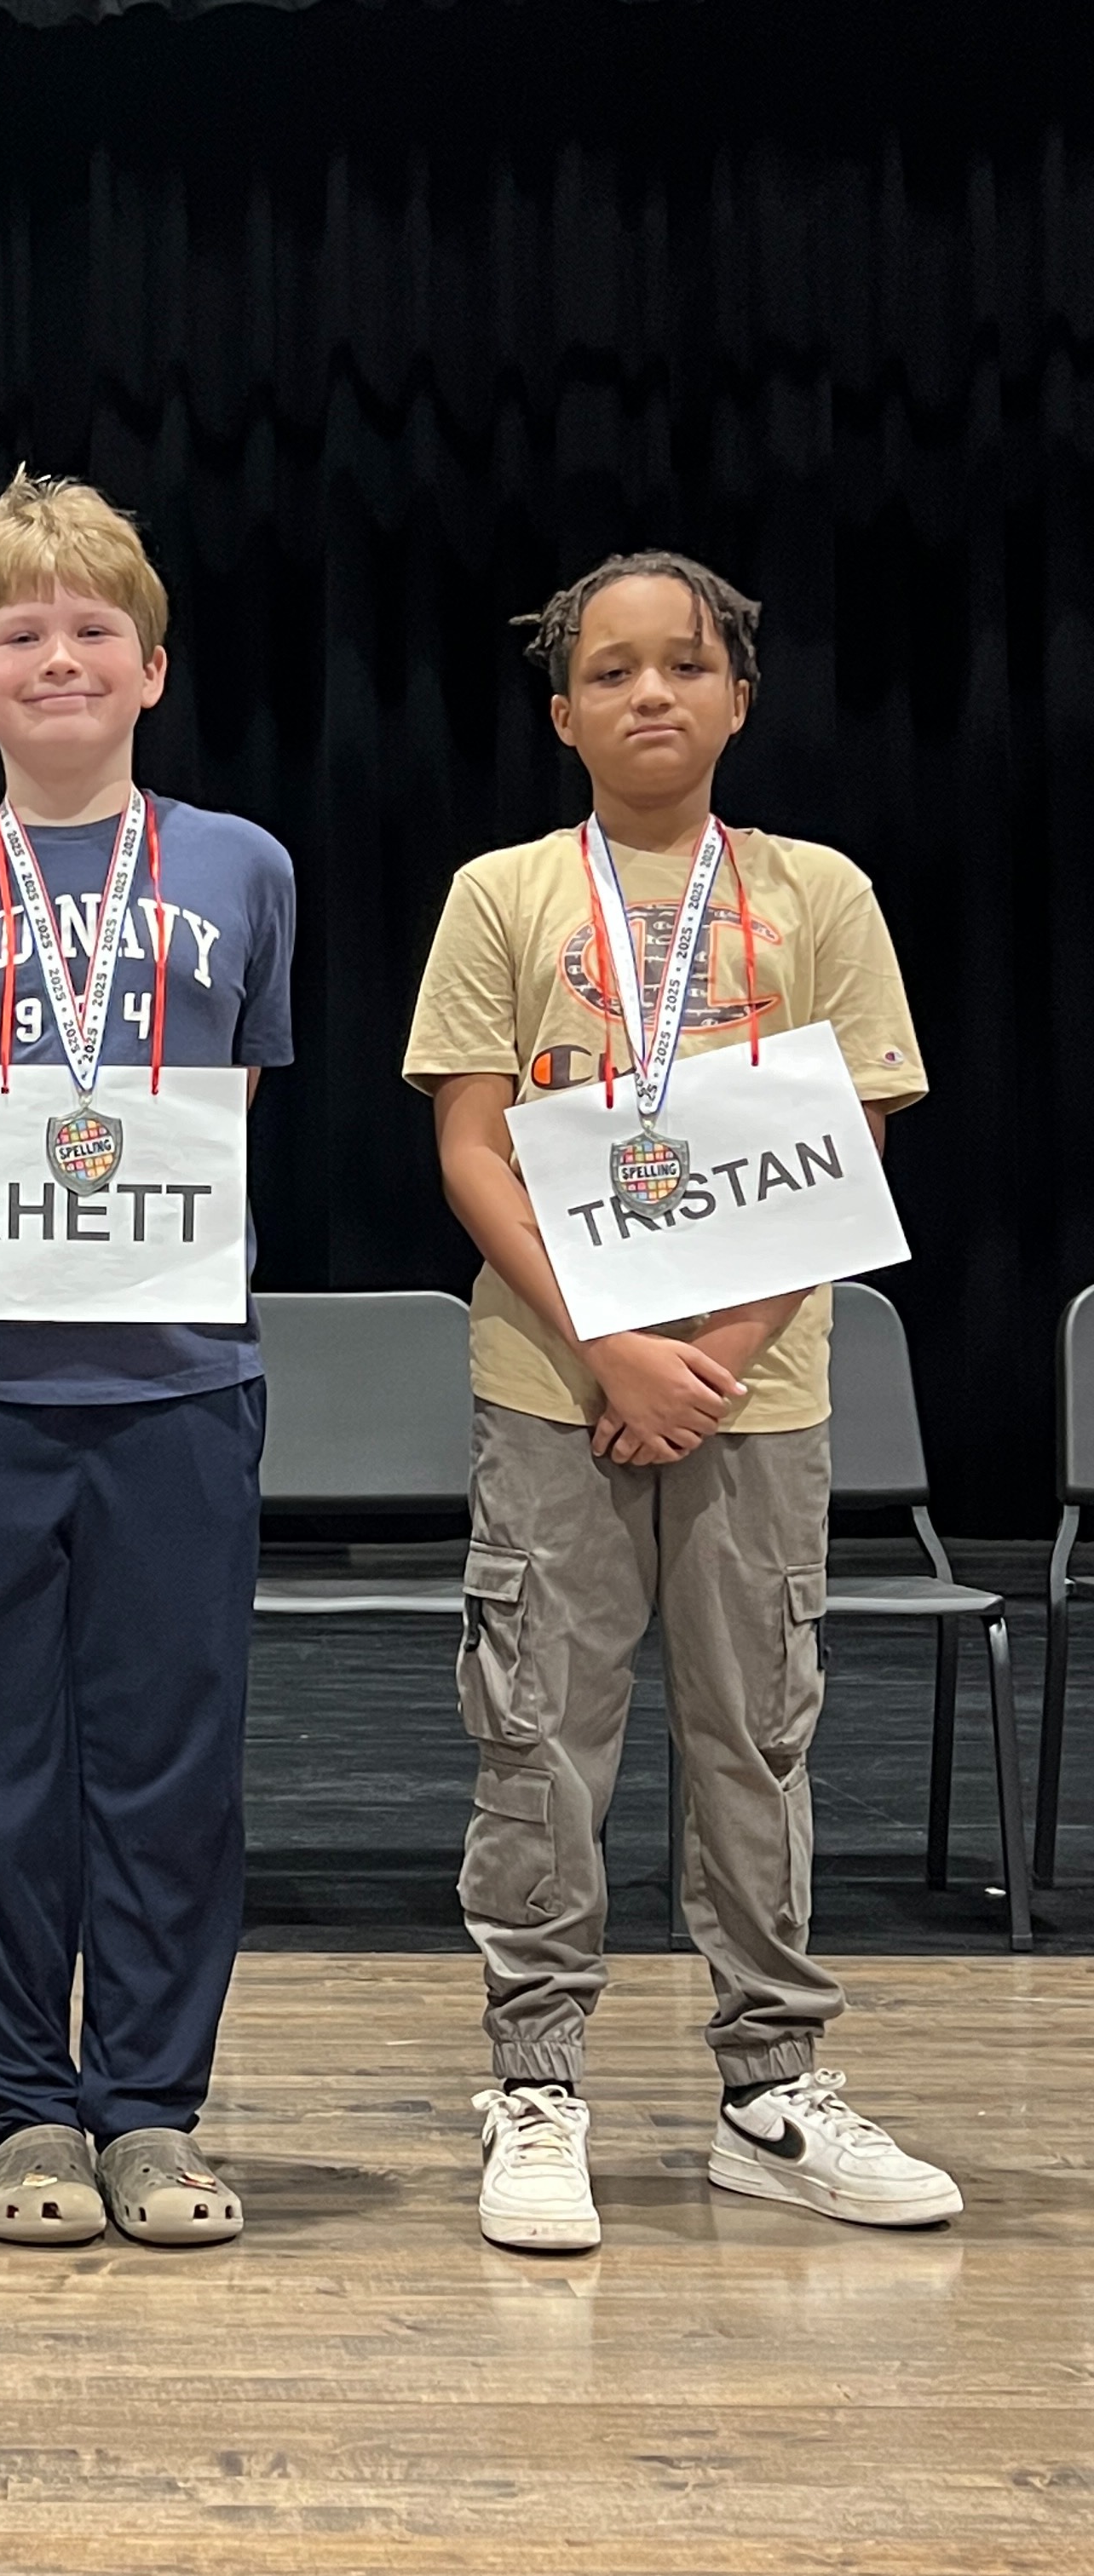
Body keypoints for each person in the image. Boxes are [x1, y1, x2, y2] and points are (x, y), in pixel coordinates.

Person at [403, 549, 961, 2253]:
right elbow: (471, 1143)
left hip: (761, 1393)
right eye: (614, 671)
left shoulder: (817, 897)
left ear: (740, 693)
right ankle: (537, 2084)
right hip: (552, 1387)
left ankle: (771, 2092)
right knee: (539, 1738)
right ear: (562, 711)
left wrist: (707, 1353)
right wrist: (612, 1351)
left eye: (686, 666)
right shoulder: (504, 895)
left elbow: (852, 1133)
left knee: (757, 1738)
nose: (652, 693)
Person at [0, 469, 294, 2246]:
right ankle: (32, 2105)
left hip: (177, 1382)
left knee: (175, 1760)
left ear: (152, 666)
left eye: (94, 626)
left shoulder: (245, 869)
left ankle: (155, 2109)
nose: (58, 654)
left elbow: (221, 1113)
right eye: (18, 631)